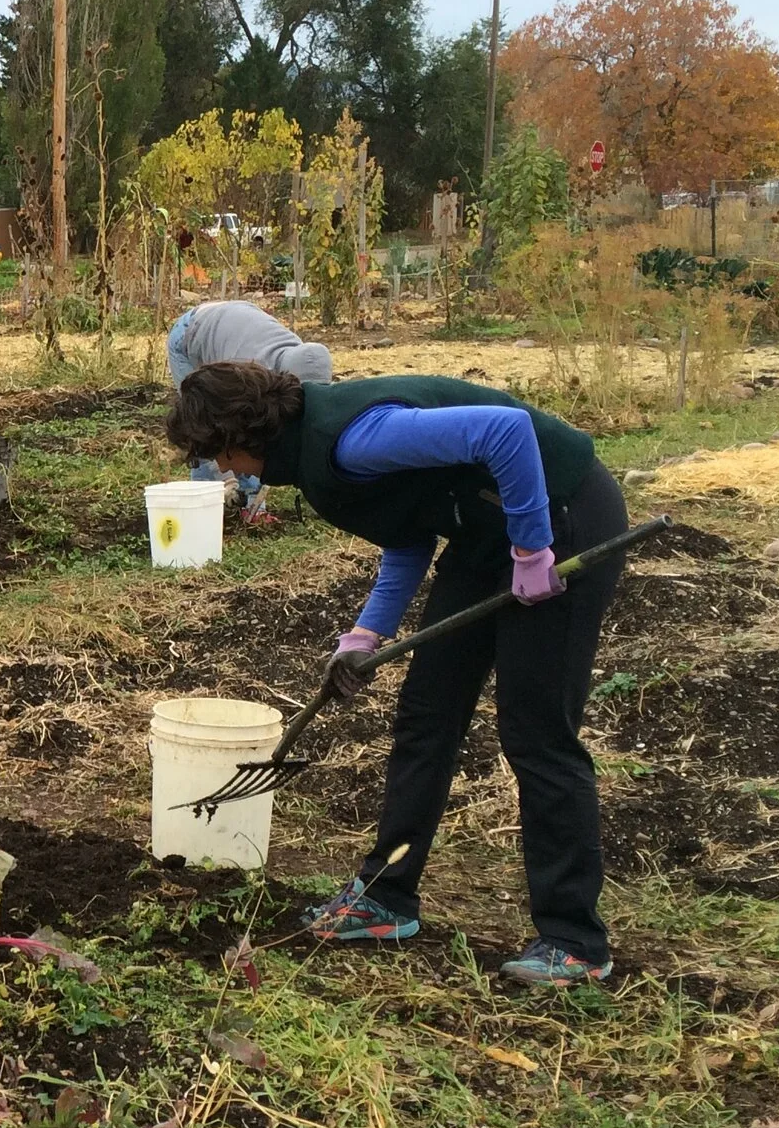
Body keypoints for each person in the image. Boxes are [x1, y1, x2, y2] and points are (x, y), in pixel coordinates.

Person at [163, 363, 630, 986]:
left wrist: (531, 547)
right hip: (483, 534)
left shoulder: (357, 438)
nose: (226, 469)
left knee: (536, 729)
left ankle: (575, 939)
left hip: (563, 513)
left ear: (249, 431)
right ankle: (386, 898)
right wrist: (364, 635)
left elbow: (506, 431)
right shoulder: (320, 462)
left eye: (222, 452)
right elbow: (406, 534)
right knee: (426, 716)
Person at [165, 301, 335, 524]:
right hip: (191, 331)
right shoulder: (245, 373)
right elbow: (243, 428)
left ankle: (252, 508)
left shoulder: (306, 358)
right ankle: (206, 509)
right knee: (203, 426)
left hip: (235, 320)